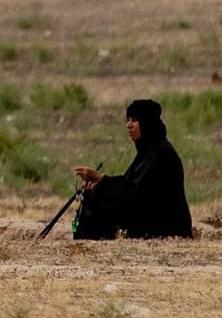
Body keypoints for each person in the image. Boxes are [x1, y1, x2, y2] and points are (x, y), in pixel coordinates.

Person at [70, 98, 192, 239]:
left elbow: (136, 196)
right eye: (128, 120)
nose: (128, 125)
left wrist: (102, 190)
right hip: (149, 219)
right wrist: (100, 181)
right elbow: (129, 184)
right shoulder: (148, 151)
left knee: (101, 207)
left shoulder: (162, 154)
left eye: (134, 120)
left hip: (165, 227)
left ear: (147, 123)